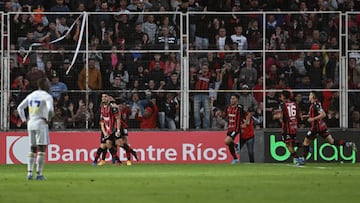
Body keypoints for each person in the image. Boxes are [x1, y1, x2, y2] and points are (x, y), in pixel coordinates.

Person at [302, 91, 357, 163]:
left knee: (306, 142)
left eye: (310, 95)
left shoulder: (315, 104)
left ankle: (303, 159)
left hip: (316, 127)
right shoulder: (315, 104)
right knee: (332, 141)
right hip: (322, 126)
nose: (309, 96)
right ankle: (348, 144)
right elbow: (314, 114)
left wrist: (312, 119)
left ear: (313, 96)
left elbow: (323, 114)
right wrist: (306, 116)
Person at [17, 77, 54, 180]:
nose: (49, 84)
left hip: (31, 123)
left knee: (32, 148)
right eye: (48, 83)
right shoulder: (47, 96)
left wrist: (24, 120)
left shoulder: (31, 95)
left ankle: (29, 173)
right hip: (41, 123)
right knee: (41, 149)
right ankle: (39, 174)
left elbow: (19, 108)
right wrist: (49, 118)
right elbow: (50, 109)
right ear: (44, 85)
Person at [273, 90, 303, 165]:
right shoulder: (295, 104)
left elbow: (281, 116)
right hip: (294, 126)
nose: (281, 97)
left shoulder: (283, 105)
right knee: (292, 142)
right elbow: (300, 115)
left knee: (288, 144)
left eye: (281, 96)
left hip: (287, 127)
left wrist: (275, 116)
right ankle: (304, 147)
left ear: (284, 96)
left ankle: (297, 159)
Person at [92, 93, 122, 166]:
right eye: (102, 97)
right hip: (105, 129)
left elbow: (118, 119)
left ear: (109, 98)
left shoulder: (113, 108)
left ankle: (97, 161)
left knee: (108, 144)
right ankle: (116, 160)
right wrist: (104, 132)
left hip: (112, 129)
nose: (103, 98)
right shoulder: (101, 107)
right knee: (103, 145)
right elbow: (102, 121)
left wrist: (118, 130)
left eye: (105, 97)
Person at [115, 98, 138, 166]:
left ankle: (128, 160)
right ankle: (133, 152)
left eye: (123, 105)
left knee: (125, 143)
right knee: (119, 143)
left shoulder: (126, 110)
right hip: (118, 128)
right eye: (121, 105)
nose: (123, 106)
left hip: (123, 128)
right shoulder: (116, 111)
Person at [224, 94, 245, 164]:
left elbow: (245, 115)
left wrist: (244, 123)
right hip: (230, 128)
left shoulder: (239, 108)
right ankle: (235, 158)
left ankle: (236, 146)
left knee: (227, 141)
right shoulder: (228, 108)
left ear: (237, 100)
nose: (231, 100)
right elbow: (225, 115)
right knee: (229, 144)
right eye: (231, 99)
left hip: (236, 128)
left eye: (233, 98)